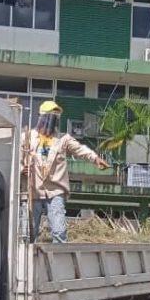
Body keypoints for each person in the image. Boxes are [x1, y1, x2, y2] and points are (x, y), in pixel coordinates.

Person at [23, 101, 109, 243]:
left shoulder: (63, 139)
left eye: (55, 118)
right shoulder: (28, 138)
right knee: (29, 232)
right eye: (49, 118)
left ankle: (58, 261)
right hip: (33, 190)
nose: (52, 122)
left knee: (58, 232)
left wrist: (95, 158)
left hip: (55, 190)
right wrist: (22, 168)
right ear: (41, 118)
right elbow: (18, 157)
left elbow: (80, 149)